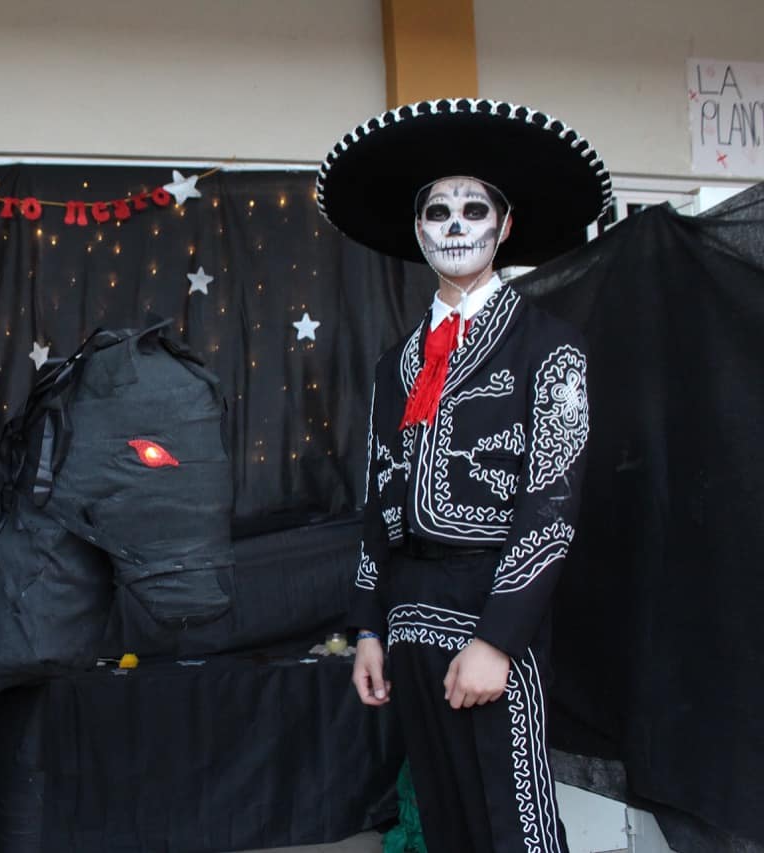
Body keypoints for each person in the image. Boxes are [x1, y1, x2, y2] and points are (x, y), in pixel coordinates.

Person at [315, 99, 612, 852]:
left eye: (473, 208)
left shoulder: (551, 348)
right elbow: (379, 494)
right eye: (437, 211)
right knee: (445, 819)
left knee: (511, 822)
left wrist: (498, 640)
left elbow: (551, 507)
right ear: (417, 230)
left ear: (503, 227)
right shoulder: (397, 362)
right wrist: (371, 625)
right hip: (410, 614)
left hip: (491, 609)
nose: (454, 223)